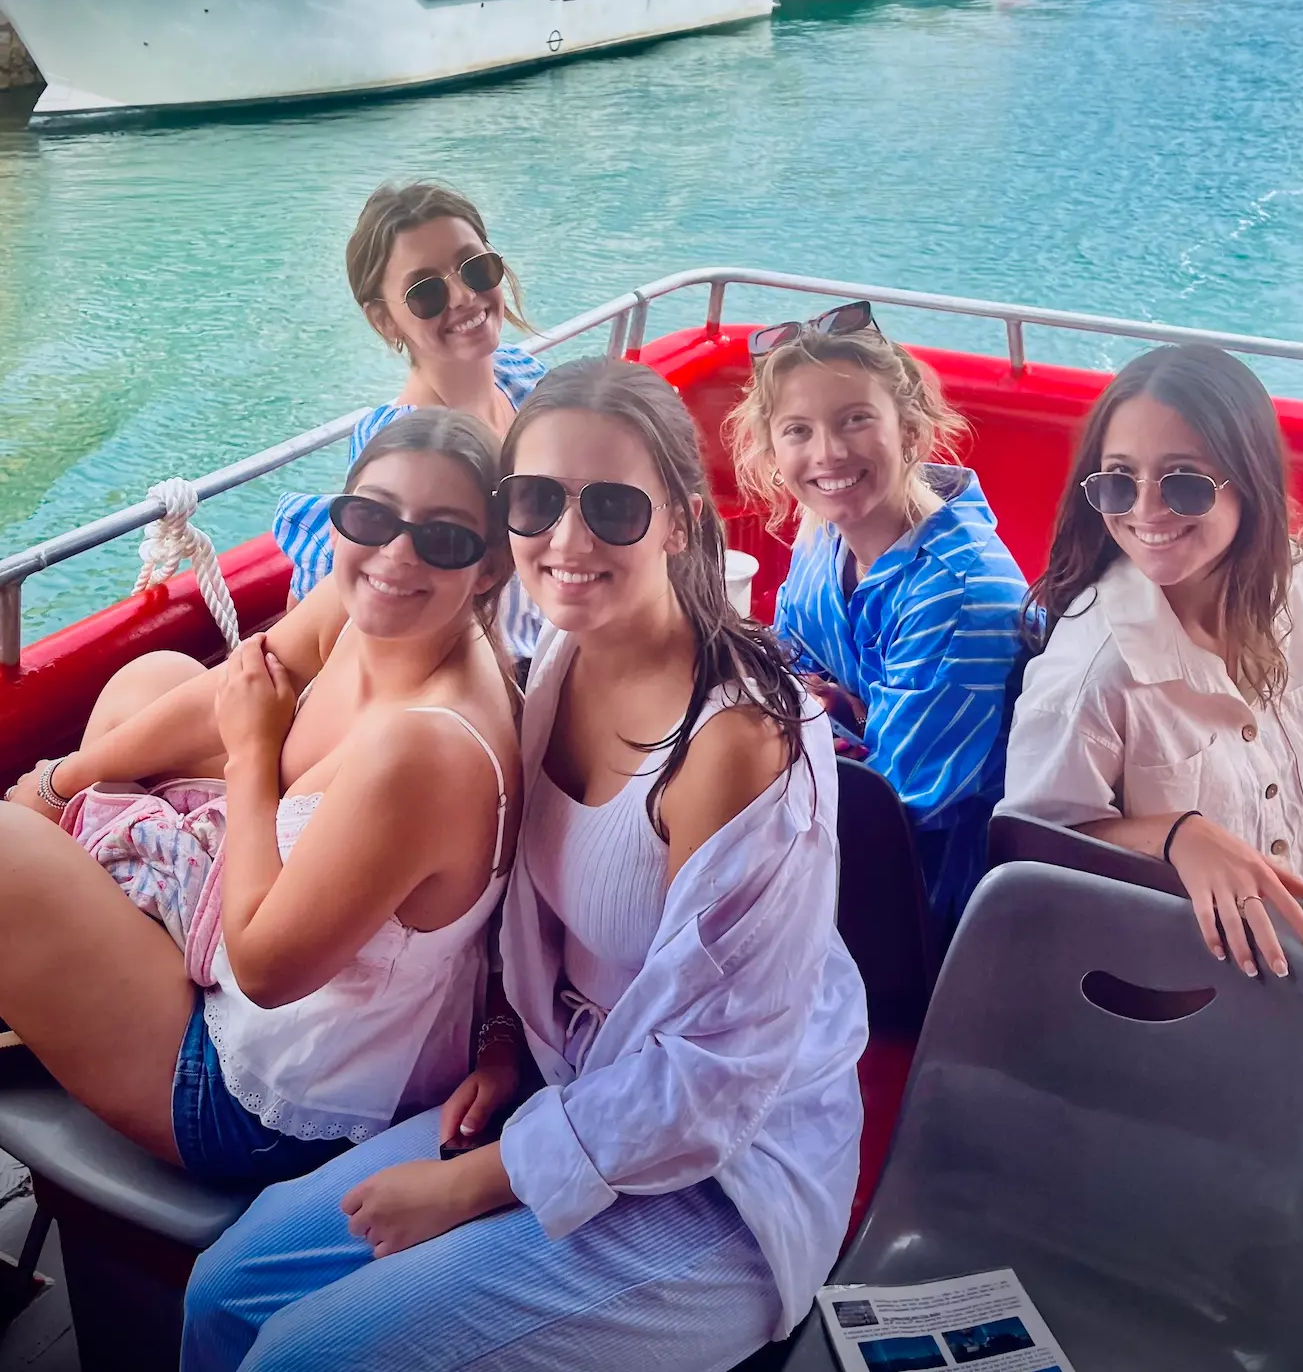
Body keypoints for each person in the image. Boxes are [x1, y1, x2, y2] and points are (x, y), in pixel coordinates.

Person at [182, 358, 867, 1372]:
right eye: (535, 501)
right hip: (565, 1093)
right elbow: (533, 923)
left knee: (300, 1358)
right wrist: (504, 1039)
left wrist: (477, 1182)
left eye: (614, 508)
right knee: (226, 1294)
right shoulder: (558, 666)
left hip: (723, 1183)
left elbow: (714, 1082)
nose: (568, 539)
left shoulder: (740, 742)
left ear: (679, 519)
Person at [0, 409, 519, 1181]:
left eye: (443, 537)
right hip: (263, 949)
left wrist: (250, 755)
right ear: (340, 519)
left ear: (490, 569)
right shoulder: (367, 604)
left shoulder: (428, 747)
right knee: (154, 681)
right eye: (370, 517)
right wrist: (57, 780)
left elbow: (269, 974)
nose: (396, 553)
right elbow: (234, 685)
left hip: (268, 1100)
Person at [998, 342, 1303, 1053]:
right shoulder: (1097, 670)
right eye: (1119, 482)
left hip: (1283, 919)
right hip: (1193, 965)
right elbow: (1031, 853)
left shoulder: (1291, 586)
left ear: (1248, 482)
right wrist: (1177, 834)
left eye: (1184, 483)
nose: (1147, 511)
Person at [726, 301, 1027, 930]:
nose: (828, 454)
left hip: (922, 906)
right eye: (798, 430)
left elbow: (898, 809)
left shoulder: (958, 593)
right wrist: (838, 710)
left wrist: (820, 713)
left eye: (856, 419)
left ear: (910, 430)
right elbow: (791, 661)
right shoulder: (824, 535)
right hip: (829, 827)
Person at [275, 179, 546, 660]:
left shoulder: (524, 378)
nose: (463, 296)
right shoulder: (399, 447)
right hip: (502, 678)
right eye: (426, 292)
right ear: (384, 320)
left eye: (474, 267)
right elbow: (331, 614)